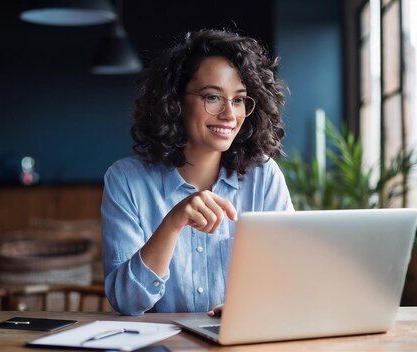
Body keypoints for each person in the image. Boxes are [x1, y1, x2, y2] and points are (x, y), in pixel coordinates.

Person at [101, 28, 293, 316]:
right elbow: (126, 302)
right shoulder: (126, 180)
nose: (229, 114)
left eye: (239, 99)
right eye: (213, 97)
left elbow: (290, 278)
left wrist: (251, 309)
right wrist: (172, 224)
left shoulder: (264, 177)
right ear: (175, 101)